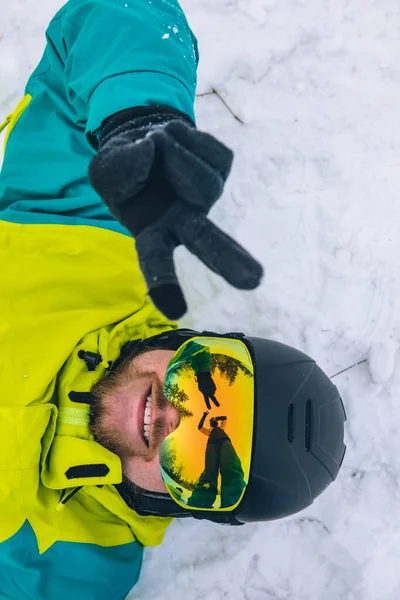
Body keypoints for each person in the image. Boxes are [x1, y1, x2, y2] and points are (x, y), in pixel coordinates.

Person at [0, 0, 347, 598]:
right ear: (199, 342)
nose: (171, 418)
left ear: (193, 508)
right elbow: (120, 12)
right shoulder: (92, 243)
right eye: (208, 384)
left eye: (205, 460)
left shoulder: (70, 574)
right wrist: (138, 120)